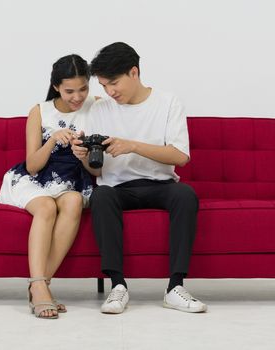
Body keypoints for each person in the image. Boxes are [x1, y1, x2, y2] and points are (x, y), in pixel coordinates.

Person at [72, 42, 207, 314]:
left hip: (161, 185)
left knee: (186, 195)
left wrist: (132, 145)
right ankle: (118, 286)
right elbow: (98, 172)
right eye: (104, 86)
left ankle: (175, 287)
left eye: (114, 83)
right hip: (117, 188)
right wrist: (84, 157)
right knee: (101, 194)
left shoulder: (168, 103)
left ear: (134, 72)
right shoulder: (101, 109)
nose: (110, 92)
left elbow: (180, 156)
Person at [0, 54, 97, 319]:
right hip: (36, 179)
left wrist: (83, 155)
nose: (78, 97)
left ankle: (39, 285)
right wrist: (52, 140)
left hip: (74, 178)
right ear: (56, 87)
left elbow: (98, 170)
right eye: (69, 91)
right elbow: (32, 166)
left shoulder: (97, 107)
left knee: (73, 201)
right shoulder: (40, 111)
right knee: (46, 206)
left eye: (83, 88)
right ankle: (41, 287)